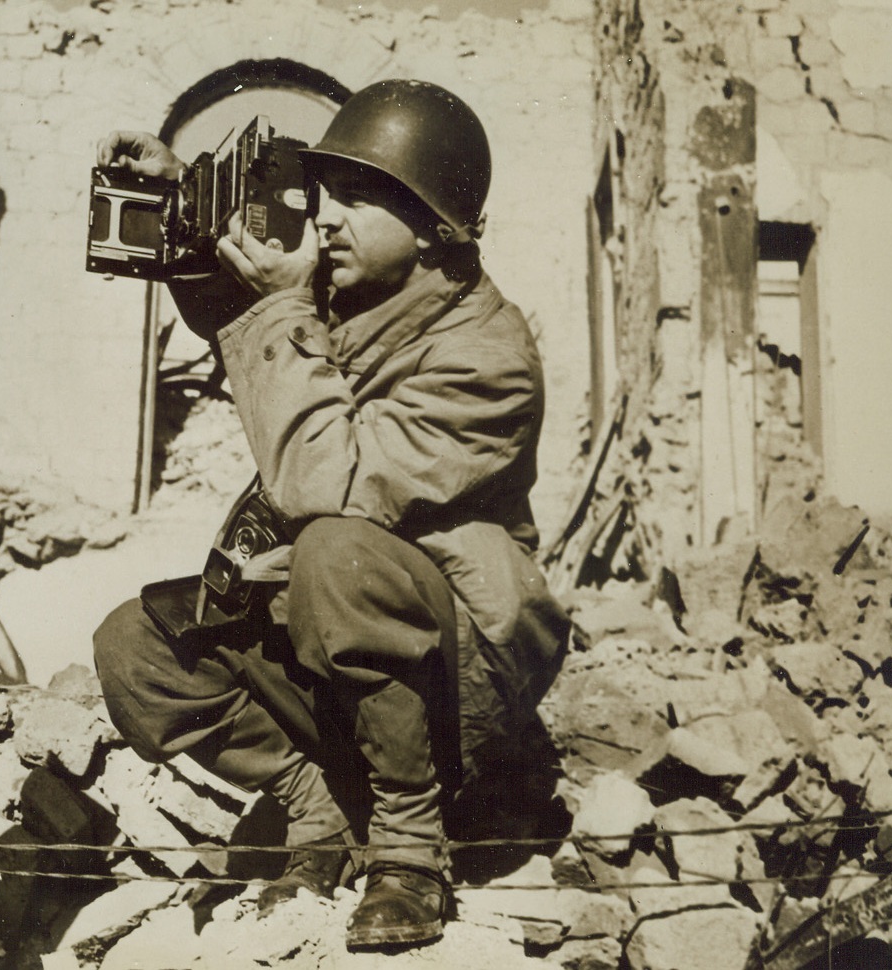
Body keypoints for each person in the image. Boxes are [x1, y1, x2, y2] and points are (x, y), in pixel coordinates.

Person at [93, 79, 571, 950]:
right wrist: (180, 200)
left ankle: (409, 851)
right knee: (136, 645)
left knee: (336, 551)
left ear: (434, 226)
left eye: (359, 198)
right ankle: (323, 811)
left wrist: (280, 306)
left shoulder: (486, 358)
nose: (326, 218)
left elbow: (323, 481)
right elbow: (237, 314)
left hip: (463, 672)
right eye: (325, 193)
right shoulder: (356, 293)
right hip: (348, 639)